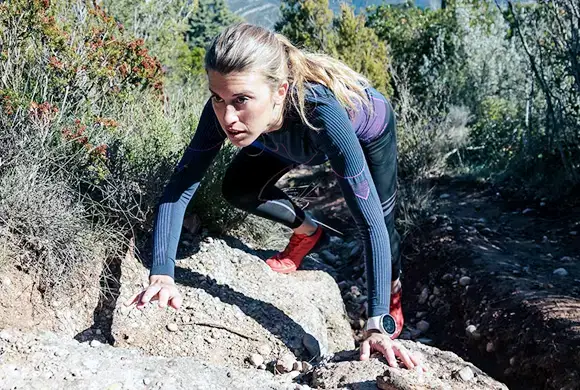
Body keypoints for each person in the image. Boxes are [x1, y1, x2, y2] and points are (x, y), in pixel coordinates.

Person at [125, 22, 423, 371]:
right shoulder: (234, 113)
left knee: (382, 219)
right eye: (218, 98)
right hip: (280, 133)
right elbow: (181, 185)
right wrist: (162, 273)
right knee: (238, 188)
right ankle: (309, 232)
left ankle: (392, 292)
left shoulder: (321, 110)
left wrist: (376, 324)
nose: (228, 117)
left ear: (280, 90)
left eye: (241, 100)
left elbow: (369, 221)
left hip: (363, 132)